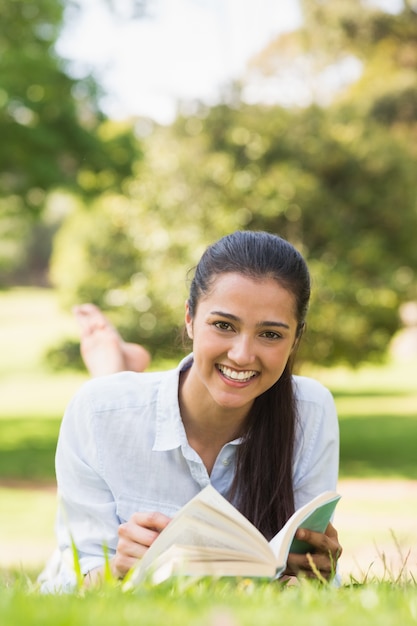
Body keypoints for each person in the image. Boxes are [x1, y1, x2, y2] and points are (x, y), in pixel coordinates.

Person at [40, 230, 342, 592]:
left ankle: (118, 366)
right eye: (223, 326)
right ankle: (114, 368)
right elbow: (77, 582)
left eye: (271, 335)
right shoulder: (96, 411)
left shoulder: (310, 410)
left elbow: (304, 580)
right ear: (189, 318)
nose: (243, 354)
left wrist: (316, 572)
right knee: (113, 405)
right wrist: (118, 569)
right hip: (117, 413)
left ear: (296, 338)